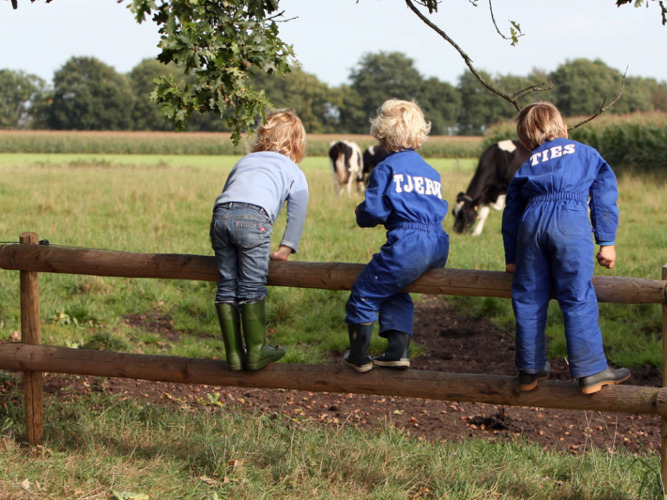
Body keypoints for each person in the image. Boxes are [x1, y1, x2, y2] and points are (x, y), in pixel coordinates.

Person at [501, 101, 630, 394]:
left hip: (531, 226)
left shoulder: (528, 163)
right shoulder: (586, 153)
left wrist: (512, 257)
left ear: (525, 141)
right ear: (565, 129)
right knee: (577, 295)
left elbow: (511, 211)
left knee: (528, 298)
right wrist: (607, 242)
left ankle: (529, 370)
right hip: (570, 222)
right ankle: (591, 370)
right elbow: (604, 198)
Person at [343, 99, 450, 373]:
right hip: (438, 243)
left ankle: (358, 355)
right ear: (420, 135)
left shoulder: (385, 168)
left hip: (409, 246)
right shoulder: (431, 171)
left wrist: (360, 212)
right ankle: (397, 351)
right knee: (394, 288)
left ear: (382, 135)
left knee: (364, 294)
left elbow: (374, 212)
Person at [210, 108, 308, 371]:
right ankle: (255, 351)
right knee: (252, 286)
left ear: (262, 135)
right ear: (297, 143)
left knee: (227, 285)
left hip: (220, 216)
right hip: (254, 220)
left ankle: (233, 354)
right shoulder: (292, 169)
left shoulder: (244, 161)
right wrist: (286, 248)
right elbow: (297, 212)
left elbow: (230, 193)